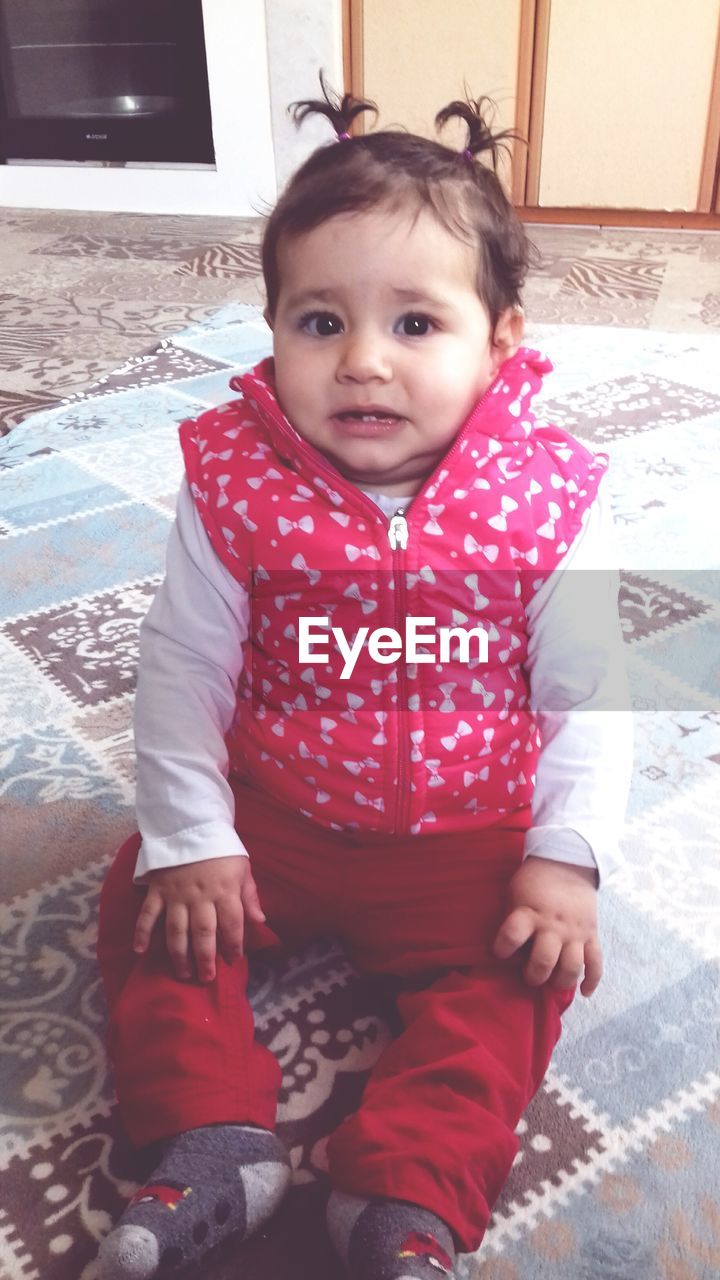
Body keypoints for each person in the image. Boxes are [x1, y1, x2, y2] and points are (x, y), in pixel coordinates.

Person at [96, 81, 632, 1280]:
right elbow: (183, 660)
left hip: (464, 836)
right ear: (273, 328)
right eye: (321, 322)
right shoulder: (237, 481)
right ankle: (212, 1128)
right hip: (276, 816)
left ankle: (405, 1185)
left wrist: (565, 853)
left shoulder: (549, 499)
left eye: (417, 326)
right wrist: (194, 833)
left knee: (529, 963)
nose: (364, 364)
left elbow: (591, 690)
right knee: (146, 892)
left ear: (501, 339)